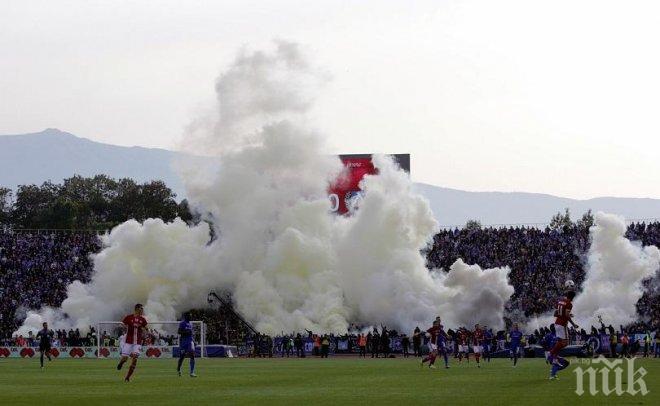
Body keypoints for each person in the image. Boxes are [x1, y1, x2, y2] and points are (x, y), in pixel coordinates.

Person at [548, 290, 578, 380]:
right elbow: (566, 314)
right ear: (572, 297)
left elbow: (556, 313)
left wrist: (567, 315)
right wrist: (573, 324)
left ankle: (554, 358)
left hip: (557, 323)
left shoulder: (561, 300)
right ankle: (551, 353)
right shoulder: (569, 303)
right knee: (566, 342)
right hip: (562, 324)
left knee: (560, 343)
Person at [117, 303, 148, 382]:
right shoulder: (129, 317)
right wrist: (124, 328)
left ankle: (127, 377)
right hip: (128, 341)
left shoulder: (142, 319)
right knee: (125, 359)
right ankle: (121, 363)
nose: (142, 310)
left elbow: (146, 328)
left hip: (137, 342)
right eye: (141, 309)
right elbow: (122, 325)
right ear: (137, 309)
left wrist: (145, 332)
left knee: (135, 358)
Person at [176, 312, 197, 377]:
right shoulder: (182, 323)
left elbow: (191, 334)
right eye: (190, 316)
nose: (191, 317)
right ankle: (179, 369)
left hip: (190, 341)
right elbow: (179, 332)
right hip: (184, 342)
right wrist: (186, 332)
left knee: (192, 354)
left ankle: (192, 372)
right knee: (182, 357)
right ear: (186, 316)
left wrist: (194, 341)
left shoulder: (190, 324)